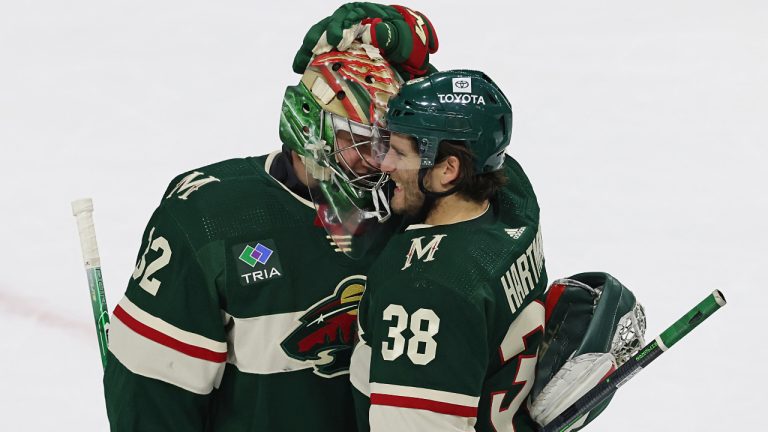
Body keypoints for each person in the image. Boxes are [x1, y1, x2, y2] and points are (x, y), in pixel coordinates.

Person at [102, 4, 438, 430]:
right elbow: (150, 397)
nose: (384, 162)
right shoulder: (207, 222)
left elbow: (484, 179)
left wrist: (418, 61)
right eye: (363, 144)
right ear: (308, 126)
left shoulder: (412, 202)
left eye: (392, 144)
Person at [349, 70, 548, 432]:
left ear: (449, 170)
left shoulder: (423, 292)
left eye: (398, 152)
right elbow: (473, 122)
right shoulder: (515, 201)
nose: (385, 164)